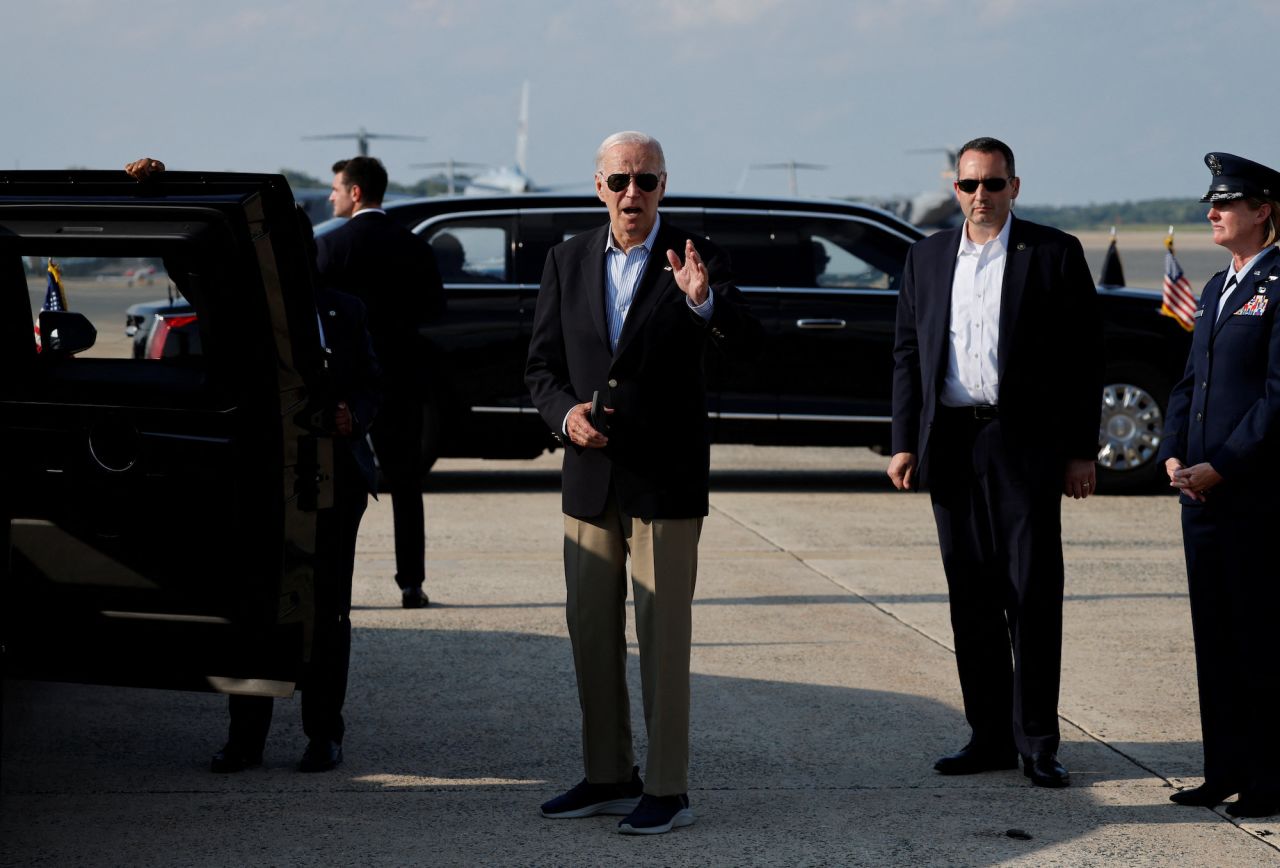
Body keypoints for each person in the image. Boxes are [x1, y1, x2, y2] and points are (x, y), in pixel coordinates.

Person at [525, 131, 758, 835]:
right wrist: (565, 416)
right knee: (590, 631)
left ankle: (668, 788)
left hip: (665, 478)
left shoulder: (696, 257)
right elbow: (539, 367)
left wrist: (702, 303)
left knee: (663, 640)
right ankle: (607, 774)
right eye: (621, 180)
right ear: (598, 186)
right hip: (590, 478)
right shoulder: (566, 260)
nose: (634, 194)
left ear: (664, 186)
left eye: (648, 181)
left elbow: (746, 346)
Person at [124, 159, 381, 772]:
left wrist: (354, 415)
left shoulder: (344, 310)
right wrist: (158, 193)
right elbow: (184, 263)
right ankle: (247, 739)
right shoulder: (240, 314)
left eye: (290, 243)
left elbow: (372, 382)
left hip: (332, 484)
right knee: (255, 611)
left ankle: (324, 733)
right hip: (262, 484)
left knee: (326, 613)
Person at [888, 137, 1102, 788]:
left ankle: (1036, 741)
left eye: (993, 184)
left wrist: (1079, 451)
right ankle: (987, 736)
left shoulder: (1053, 254)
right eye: (969, 185)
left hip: (1025, 447)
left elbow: (1084, 358)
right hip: (952, 444)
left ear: (1015, 186)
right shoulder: (925, 258)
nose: (980, 196)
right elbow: (906, 355)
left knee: (1032, 595)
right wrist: (903, 440)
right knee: (971, 598)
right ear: (955, 188)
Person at [1159, 153, 1280, 819]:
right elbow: (1189, 383)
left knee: (1258, 637)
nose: (1213, 212)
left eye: (1227, 202)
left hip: (1253, 496)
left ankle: (1268, 777)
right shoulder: (1217, 285)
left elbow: (1276, 400)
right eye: (1213, 201)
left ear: (1262, 210)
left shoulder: (1279, 284)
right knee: (1214, 637)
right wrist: (1173, 452)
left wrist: (1225, 464)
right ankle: (1223, 769)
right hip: (1200, 494)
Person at [316, 156, 445, 609]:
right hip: (403, 378)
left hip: (349, 386)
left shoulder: (334, 246)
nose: (331, 195)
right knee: (406, 483)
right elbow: (434, 311)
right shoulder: (414, 246)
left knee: (333, 484)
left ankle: (332, 584)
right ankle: (411, 583)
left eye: (336, 187)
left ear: (355, 192)